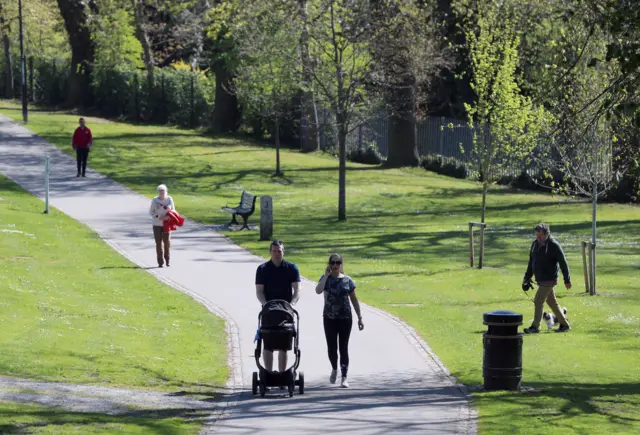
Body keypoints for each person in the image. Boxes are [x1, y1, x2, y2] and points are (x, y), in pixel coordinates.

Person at [315, 253, 364, 388]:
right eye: (333, 263)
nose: (335, 265)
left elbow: (354, 300)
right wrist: (325, 276)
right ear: (329, 264)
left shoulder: (347, 280)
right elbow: (318, 291)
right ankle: (334, 368)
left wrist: (360, 317)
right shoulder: (326, 279)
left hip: (345, 318)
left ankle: (344, 376)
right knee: (332, 347)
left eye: (338, 263)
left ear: (341, 264)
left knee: (343, 347)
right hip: (329, 318)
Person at [255, 240, 301, 373]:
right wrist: (265, 305)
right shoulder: (262, 269)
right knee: (268, 344)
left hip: (286, 312)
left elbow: (297, 289)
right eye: (274, 251)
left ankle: (282, 374)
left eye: (279, 251)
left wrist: (292, 305)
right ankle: (268, 373)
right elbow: (259, 291)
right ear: (270, 252)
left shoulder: (291, 268)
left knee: (283, 345)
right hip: (268, 312)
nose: (277, 253)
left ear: (283, 252)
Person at [522, 223, 572, 334]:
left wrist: (567, 279)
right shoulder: (534, 245)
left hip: (549, 279)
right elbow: (531, 262)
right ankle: (564, 325)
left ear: (546, 234)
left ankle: (535, 326)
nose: (538, 236)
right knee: (552, 303)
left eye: (540, 234)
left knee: (538, 300)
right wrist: (527, 277)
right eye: (536, 234)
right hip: (540, 279)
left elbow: (563, 262)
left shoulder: (554, 246)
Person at [149, 184, 175, 268]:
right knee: (158, 243)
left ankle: (167, 260)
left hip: (167, 224)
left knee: (167, 242)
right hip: (157, 224)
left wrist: (169, 216)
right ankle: (160, 262)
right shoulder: (155, 200)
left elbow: (173, 210)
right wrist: (158, 217)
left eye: (163, 193)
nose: (162, 195)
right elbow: (151, 212)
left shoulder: (169, 199)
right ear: (158, 193)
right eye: (160, 193)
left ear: (166, 192)